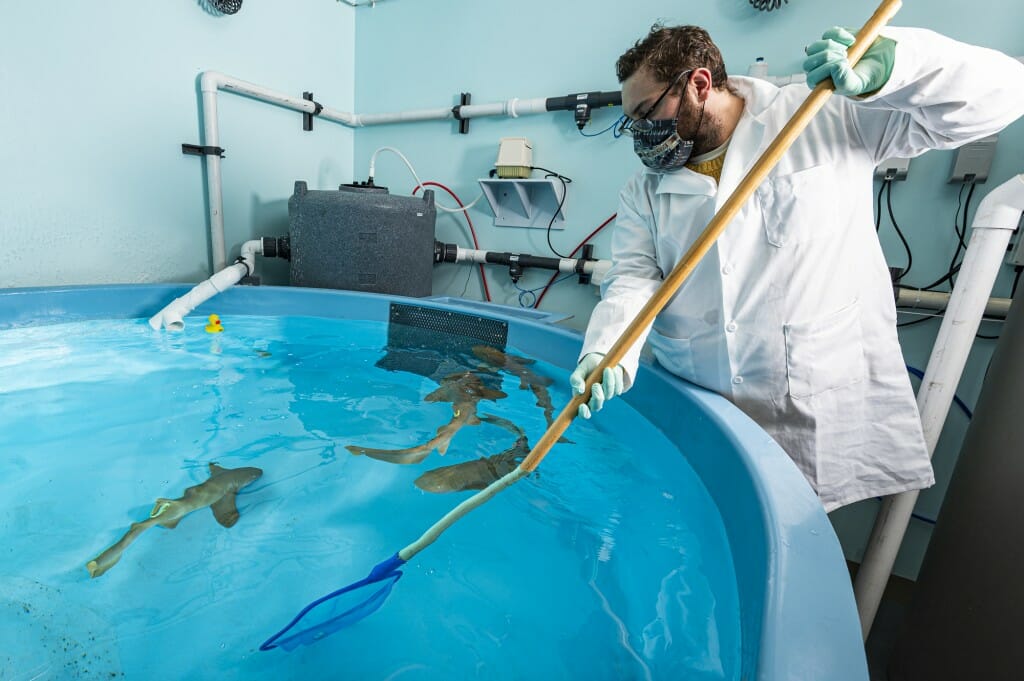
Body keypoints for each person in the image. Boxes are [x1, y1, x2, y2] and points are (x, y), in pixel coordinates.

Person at [569, 23, 1024, 511]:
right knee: (706, 528)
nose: (641, 131)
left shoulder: (823, 115)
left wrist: (899, 64)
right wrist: (607, 348)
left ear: (698, 84)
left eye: (646, 112)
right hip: (700, 397)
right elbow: (635, 278)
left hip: (809, 401)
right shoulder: (644, 189)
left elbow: (1004, 95)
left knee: (798, 544)